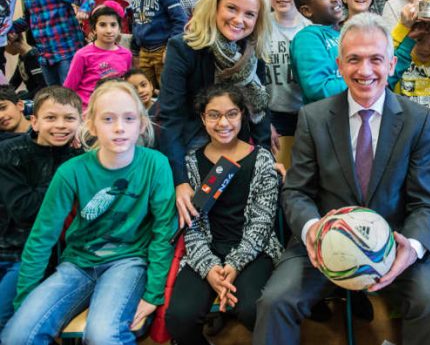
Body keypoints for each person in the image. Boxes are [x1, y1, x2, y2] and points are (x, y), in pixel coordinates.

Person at [254, 12, 430, 345]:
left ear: (391, 64)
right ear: (339, 65)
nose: (364, 71)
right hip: (321, 242)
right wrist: (312, 230)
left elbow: (425, 201)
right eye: (354, 60)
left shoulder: (417, 120)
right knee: (274, 302)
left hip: (393, 241)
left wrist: (412, 247)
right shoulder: (313, 117)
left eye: (375, 59)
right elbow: (297, 191)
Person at [1, 81, 176, 345]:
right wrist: (26, 299)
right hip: (77, 264)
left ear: (141, 124)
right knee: (17, 336)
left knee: (102, 335)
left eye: (128, 118)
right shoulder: (70, 171)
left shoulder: (156, 164)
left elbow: (164, 232)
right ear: (91, 124)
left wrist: (153, 293)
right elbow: (42, 236)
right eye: (108, 119)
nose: (119, 128)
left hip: (128, 262)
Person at [165, 84, 282, 342]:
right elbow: (191, 227)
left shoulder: (261, 159)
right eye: (214, 115)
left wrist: (234, 265)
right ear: (203, 118)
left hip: (254, 250)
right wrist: (210, 269)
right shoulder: (191, 164)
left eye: (231, 114)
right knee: (179, 318)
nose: (223, 122)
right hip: (206, 249)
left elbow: (262, 225)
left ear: (242, 115)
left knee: (253, 309)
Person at [158, 0, 272, 229]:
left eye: (249, 14)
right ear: (215, 5)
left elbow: (260, 111)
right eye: (231, 8)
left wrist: (266, 157)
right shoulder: (183, 47)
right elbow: (171, 118)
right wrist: (180, 180)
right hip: (191, 141)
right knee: (196, 219)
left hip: (237, 139)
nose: (239, 20)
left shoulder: (254, 52)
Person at [0, 86, 82, 331]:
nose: (60, 125)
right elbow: (25, 211)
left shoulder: (81, 156)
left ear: (81, 121)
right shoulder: (9, 153)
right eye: (50, 118)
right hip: (11, 247)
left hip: (46, 255)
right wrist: (67, 164)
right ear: (33, 122)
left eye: (69, 118)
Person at [10, 0, 91, 85]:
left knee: (70, 96)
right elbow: (30, 19)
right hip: (45, 57)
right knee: (55, 97)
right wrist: (8, 28)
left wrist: (84, 10)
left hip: (67, 53)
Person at [116, 0, 188, 90]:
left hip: (162, 52)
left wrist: (170, 48)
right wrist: (135, 52)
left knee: (166, 90)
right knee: (145, 91)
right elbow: (136, 24)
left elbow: (180, 21)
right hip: (143, 53)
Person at [263, 0, 310, 151]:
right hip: (271, 114)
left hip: (306, 113)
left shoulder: (311, 28)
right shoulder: (258, 27)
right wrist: (263, 120)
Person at [63, 3, 133, 109]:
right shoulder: (82, 55)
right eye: (102, 25)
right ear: (94, 29)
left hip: (115, 109)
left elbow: (126, 84)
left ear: (119, 29)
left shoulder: (126, 54)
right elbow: (68, 89)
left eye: (113, 25)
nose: (109, 30)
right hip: (88, 112)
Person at [289, 0, 346, 103]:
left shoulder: (343, 33)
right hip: (327, 119)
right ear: (307, 10)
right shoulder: (307, 38)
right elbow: (318, 88)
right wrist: (362, 82)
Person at [5, 31, 46, 100]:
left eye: (4, 47)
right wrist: (4, 93)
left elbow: (42, 87)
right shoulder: (22, 56)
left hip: (39, 98)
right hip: (32, 94)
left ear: (9, 42)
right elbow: (16, 79)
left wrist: (20, 98)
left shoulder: (33, 57)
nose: (5, 50)